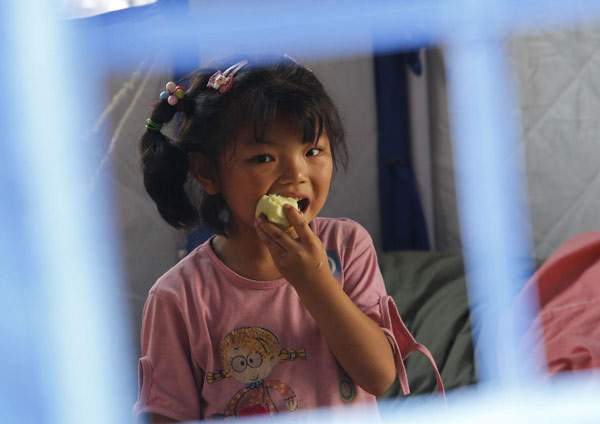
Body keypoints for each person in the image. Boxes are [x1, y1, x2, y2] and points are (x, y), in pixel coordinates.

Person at [134, 55, 442, 423]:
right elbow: (166, 414)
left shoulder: (346, 247)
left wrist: (313, 278)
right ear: (207, 171)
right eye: (264, 157)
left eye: (313, 151)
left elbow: (379, 376)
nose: (296, 172)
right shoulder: (177, 298)